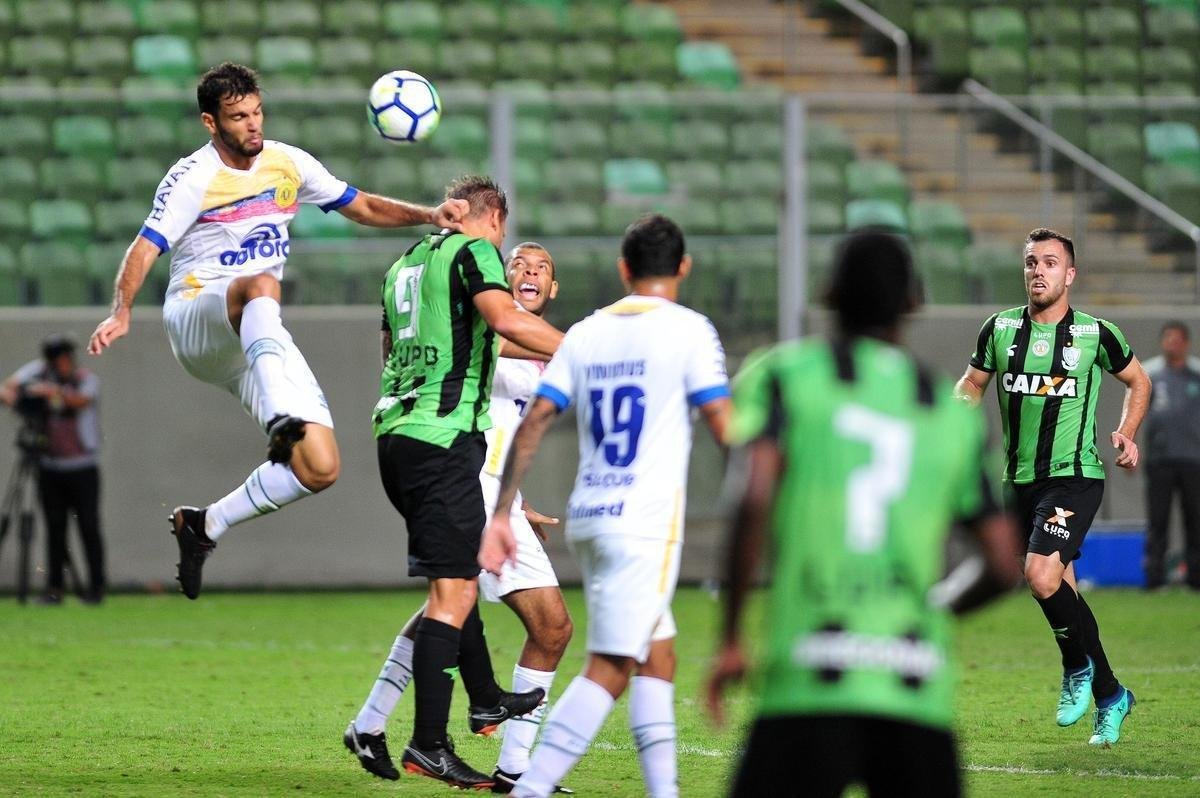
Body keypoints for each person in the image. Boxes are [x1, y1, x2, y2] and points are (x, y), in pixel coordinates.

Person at [85, 63, 467, 600]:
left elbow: (359, 205)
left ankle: (205, 524)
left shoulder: (287, 162)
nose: (252, 124)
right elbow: (145, 246)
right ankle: (279, 416)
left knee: (321, 467)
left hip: (256, 332)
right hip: (200, 315)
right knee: (260, 283)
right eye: (238, 117)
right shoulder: (193, 176)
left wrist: (431, 214)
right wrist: (121, 310)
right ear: (210, 122)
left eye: (256, 112)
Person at [706, 231, 1022, 797]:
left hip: (807, 679)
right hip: (912, 685)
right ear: (914, 301)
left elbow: (753, 498)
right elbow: (1002, 563)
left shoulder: (785, 377)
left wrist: (731, 636)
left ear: (829, 292)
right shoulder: (947, 412)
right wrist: (932, 609)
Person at [479, 213, 731, 798]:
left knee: (657, 655)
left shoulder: (589, 331)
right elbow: (725, 425)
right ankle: (526, 786)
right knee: (609, 667)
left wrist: (505, 512)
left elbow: (536, 421)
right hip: (644, 522)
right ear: (684, 268)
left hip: (590, 516)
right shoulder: (690, 329)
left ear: (624, 269)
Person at [345, 242, 575, 792]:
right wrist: (590, 348)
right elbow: (497, 338)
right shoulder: (488, 328)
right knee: (551, 627)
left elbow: (517, 433)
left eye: (542, 268)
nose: (529, 271)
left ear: (553, 288)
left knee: (445, 606)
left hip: (491, 491)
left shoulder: (541, 353)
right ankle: (515, 767)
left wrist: (516, 503)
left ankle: (370, 723)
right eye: (518, 262)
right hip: (460, 477)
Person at [954, 228, 1151, 747]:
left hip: (1075, 475)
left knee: (1040, 575)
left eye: (1049, 262)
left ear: (1070, 274)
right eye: (1030, 262)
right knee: (1062, 589)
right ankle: (1111, 693)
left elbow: (1139, 380)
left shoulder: (1095, 334)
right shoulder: (998, 330)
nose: (1038, 271)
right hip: (1017, 480)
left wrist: (1127, 434)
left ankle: (1075, 668)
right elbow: (973, 382)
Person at [1, 335, 106, 604]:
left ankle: (96, 588)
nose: (63, 363)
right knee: (55, 528)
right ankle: (54, 589)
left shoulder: (84, 379)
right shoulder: (39, 373)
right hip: (50, 466)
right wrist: (23, 396)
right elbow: (8, 389)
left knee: (88, 526)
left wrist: (50, 392)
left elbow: (81, 401)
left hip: (82, 466)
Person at [1141, 321, 1200, 589]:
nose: (1171, 344)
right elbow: (1138, 412)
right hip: (1159, 460)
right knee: (1158, 520)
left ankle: (1195, 579)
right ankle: (1155, 579)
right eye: (1167, 339)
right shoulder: (1150, 373)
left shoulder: (1196, 374)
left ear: (1185, 343)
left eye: (1176, 340)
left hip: (1193, 459)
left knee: (1195, 520)